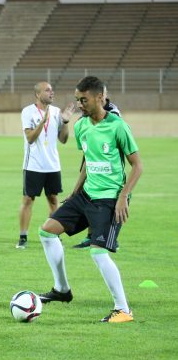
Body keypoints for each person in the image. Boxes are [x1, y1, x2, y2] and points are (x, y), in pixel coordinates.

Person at [37, 76, 142, 323]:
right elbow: (88, 162)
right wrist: (74, 193)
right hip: (86, 195)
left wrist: (123, 197)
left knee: (98, 252)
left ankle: (123, 309)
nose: (80, 105)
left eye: (83, 100)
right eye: (77, 100)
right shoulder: (82, 126)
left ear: (99, 98)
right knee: (47, 231)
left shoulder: (118, 126)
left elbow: (137, 166)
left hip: (109, 199)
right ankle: (62, 290)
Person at [16, 82, 75, 249]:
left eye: (52, 90)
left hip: (53, 165)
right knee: (28, 199)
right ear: (38, 94)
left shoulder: (57, 112)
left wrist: (64, 122)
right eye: (47, 90)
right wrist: (42, 122)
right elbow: (30, 138)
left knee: (53, 200)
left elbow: (63, 140)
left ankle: (53, 234)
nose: (51, 92)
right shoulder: (28, 112)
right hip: (33, 165)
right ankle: (23, 237)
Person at [72, 85, 121, 249]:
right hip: (90, 156)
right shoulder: (89, 108)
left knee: (101, 199)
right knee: (90, 196)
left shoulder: (112, 111)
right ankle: (91, 236)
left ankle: (106, 237)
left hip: (106, 160)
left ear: (103, 95)